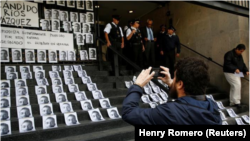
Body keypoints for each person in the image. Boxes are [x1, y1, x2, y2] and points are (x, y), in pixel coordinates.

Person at [122, 58, 222, 125]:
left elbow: (129, 113)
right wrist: (172, 84)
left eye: (174, 78)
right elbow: (188, 100)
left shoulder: (170, 112)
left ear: (180, 84)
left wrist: (137, 85)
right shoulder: (213, 107)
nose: (172, 79)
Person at [223, 44, 249, 109]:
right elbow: (227, 64)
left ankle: (232, 102)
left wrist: (246, 70)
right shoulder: (229, 54)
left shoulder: (240, 55)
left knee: (233, 86)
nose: (241, 52)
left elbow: (242, 63)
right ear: (236, 49)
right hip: (229, 72)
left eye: (242, 51)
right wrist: (234, 68)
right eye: (240, 51)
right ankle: (237, 102)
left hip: (237, 72)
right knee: (237, 85)